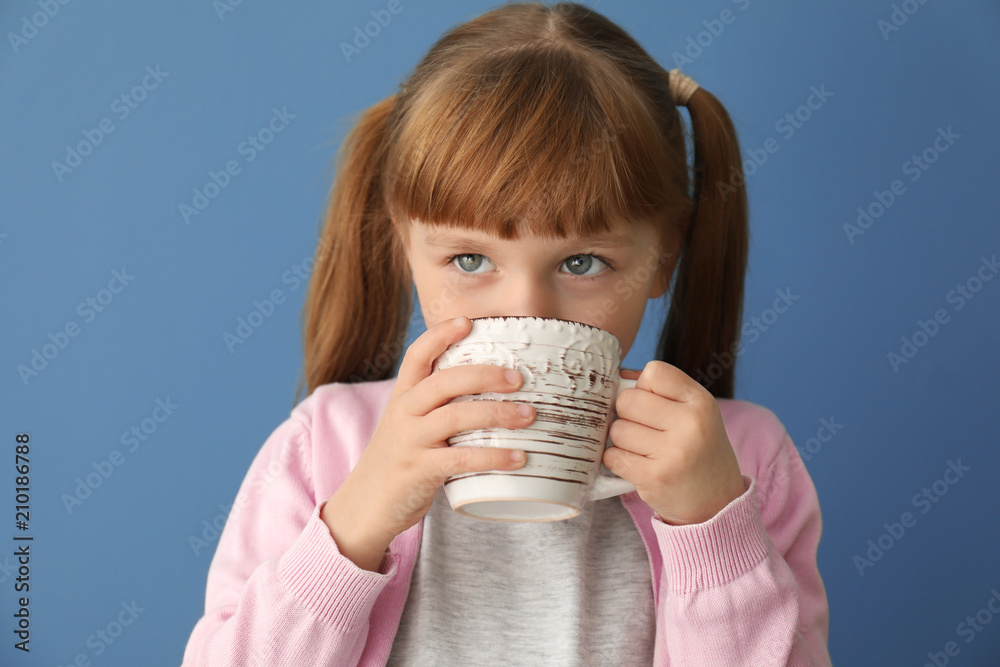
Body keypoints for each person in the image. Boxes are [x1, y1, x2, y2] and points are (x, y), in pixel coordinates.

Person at [181, 2, 831, 664]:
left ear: (662, 259)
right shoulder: (325, 447)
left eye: (581, 262)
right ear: (406, 247)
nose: (526, 311)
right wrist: (354, 524)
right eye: (470, 260)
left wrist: (713, 533)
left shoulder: (745, 462)